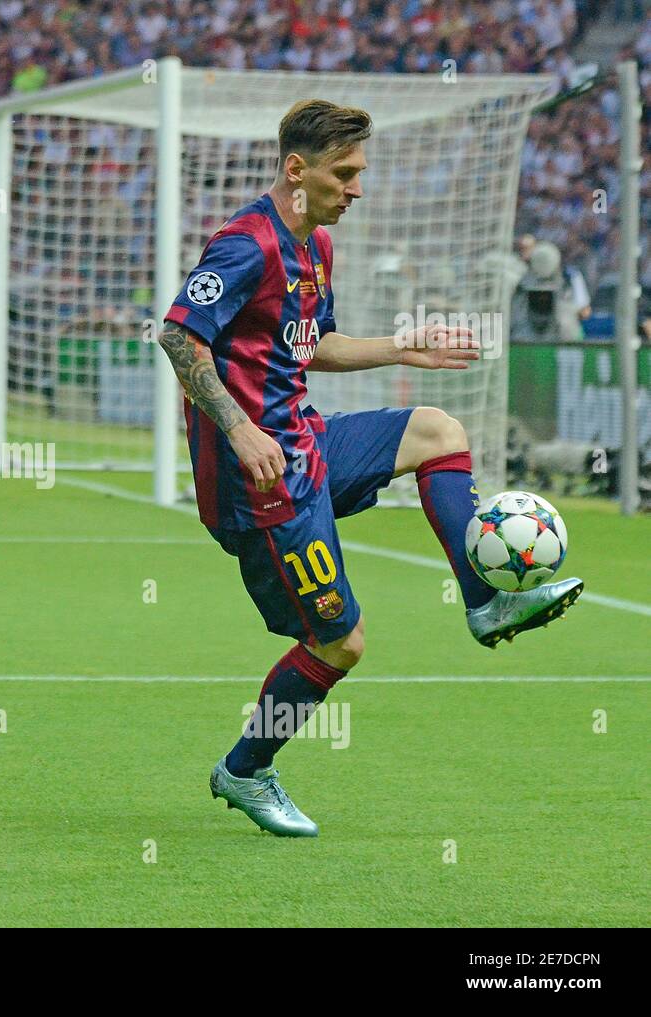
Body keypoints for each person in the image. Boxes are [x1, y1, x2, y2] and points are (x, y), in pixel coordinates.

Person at [158, 99, 583, 838]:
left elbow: (309, 345)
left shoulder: (316, 245)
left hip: (307, 442)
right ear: (297, 170)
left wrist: (401, 347)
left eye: (360, 172)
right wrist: (241, 429)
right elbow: (177, 336)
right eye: (344, 173)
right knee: (340, 643)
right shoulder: (246, 244)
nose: (357, 188)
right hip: (261, 483)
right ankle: (246, 769)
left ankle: (485, 603)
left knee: (438, 431)